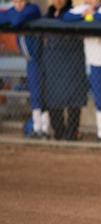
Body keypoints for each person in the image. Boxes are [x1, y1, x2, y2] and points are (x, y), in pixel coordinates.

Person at [63, 0, 101, 143]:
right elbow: (66, 17)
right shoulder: (83, 8)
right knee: (99, 99)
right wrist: (84, 14)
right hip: (93, 62)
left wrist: (93, 15)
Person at [0, 0, 50, 139]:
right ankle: (38, 128)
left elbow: (17, 20)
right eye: (15, 1)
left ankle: (43, 129)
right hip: (31, 61)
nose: (18, 3)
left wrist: (13, 15)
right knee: (35, 93)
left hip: (41, 59)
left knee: (42, 94)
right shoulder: (13, 10)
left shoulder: (32, 9)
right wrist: (12, 14)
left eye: (21, 0)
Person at [43, 0, 88, 141]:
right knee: (53, 96)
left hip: (72, 60)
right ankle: (59, 132)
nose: (58, 1)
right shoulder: (47, 15)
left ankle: (72, 133)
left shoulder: (73, 12)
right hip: (52, 62)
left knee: (74, 95)